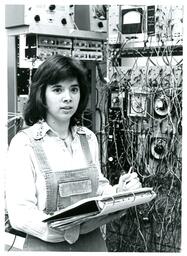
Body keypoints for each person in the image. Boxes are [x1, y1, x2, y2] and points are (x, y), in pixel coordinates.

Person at [6, 55, 142, 251]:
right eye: (57, 89)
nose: (67, 97)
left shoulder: (87, 138)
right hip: (46, 246)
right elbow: (20, 214)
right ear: (41, 94)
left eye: (74, 89)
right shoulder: (25, 143)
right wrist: (68, 232)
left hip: (92, 244)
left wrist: (119, 192)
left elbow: (98, 188)